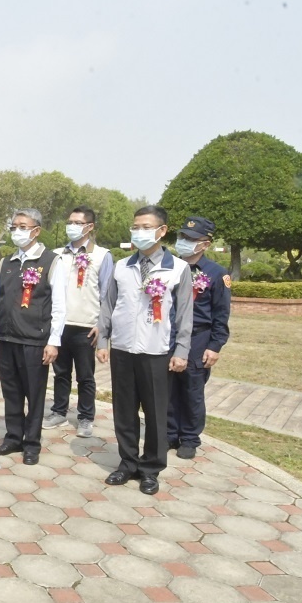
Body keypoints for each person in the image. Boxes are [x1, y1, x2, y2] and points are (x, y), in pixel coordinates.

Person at [96, 205, 194, 495]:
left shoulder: (178, 269)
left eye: (146, 227)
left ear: (162, 231)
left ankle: (151, 468)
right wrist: (103, 340)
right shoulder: (122, 266)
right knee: (124, 411)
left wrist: (182, 350)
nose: (139, 232)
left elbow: (184, 315)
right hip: (124, 349)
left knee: (155, 414)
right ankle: (127, 463)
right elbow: (108, 305)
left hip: (157, 352)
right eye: (135, 227)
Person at [0, 209, 68, 465]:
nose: (16, 231)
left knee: (34, 394)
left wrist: (54, 341)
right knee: (11, 391)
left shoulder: (52, 261)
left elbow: (59, 305)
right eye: (13, 226)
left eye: (22, 226)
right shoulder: (7, 262)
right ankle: (13, 437)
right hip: (7, 337)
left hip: (35, 339)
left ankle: (32, 443)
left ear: (36, 230)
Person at [46, 206, 115, 438]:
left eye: (77, 223)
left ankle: (86, 417)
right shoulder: (58, 254)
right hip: (60, 325)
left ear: (90, 226)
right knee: (61, 372)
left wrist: (102, 327)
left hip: (87, 326)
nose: (71, 226)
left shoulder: (102, 256)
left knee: (85, 376)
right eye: (70, 221)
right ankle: (59, 411)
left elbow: (107, 294)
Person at [167, 216, 231, 459]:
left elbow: (221, 313)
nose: (185, 242)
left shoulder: (216, 273)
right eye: (183, 237)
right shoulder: (170, 267)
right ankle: (169, 433)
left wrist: (215, 346)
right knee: (169, 388)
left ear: (204, 244)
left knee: (192, 389)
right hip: (170, 336)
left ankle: (190, 438)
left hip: (198, 338)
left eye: (191, 239)